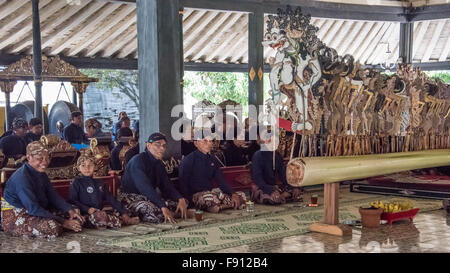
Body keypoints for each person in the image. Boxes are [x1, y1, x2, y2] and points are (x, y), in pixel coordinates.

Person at [1, 141, 84, 237]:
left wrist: (70, 211)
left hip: (37, 211)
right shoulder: (21, 178)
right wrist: (64, 222)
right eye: (40, 159)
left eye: (47, 158)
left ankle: (68, 224)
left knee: (75, 212)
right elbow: (33, 209)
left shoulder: (41, 173)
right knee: (52, 226)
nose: (45, 162)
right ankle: (64, 225)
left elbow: (53, 196)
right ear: (28, 157)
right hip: (19, 215)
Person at [118, 132, 188, 224]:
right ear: (148, 145)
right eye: (157, 145)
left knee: (184, 202)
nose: (162, 148)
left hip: (150, 197)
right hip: (131, 198)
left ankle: (170, 213)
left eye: (163, 145)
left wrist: (180, 198)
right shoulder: (138, 161)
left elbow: (167, 185)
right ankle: (174, 214)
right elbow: (145, 188)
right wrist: (162, 206)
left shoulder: (159, 163)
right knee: (151, 210)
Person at [178, 134, 247, 213]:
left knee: (241, 195)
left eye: (210, 141)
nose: (208, 144)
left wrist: (232, 194)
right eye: (205, 141)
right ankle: (223, 205)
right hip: (196, 196)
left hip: (211, 193)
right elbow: (183, 184)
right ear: (196, 143)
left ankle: (219, 207)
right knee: (210, 198)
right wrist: (189, 204)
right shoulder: (188, 160)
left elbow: (221, 181)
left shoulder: (212, 160)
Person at [69, 154, 139, 229]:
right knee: (98, 218)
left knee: (121, 211)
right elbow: (73, 201)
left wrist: (124, 213)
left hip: (99, 212)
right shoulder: (76, 182)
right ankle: (121, 221)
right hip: (84, 214)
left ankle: (123, 219)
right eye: (83, 165)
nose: (87, 168)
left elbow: (111, 199)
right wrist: (87, 209)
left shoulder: (99, 182)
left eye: (90, 165)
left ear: (95, 167)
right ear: (78, 168)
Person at [250, 131, 302, 205]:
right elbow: (257, 178)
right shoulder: (258, 155)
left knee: (297, 191)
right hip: (261, 187)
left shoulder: (277, 155)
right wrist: (270, 190)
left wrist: (293, 187)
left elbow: (283, 174)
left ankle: (281, 196)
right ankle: (279, 197)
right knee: (272, 199)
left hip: (274, 187)